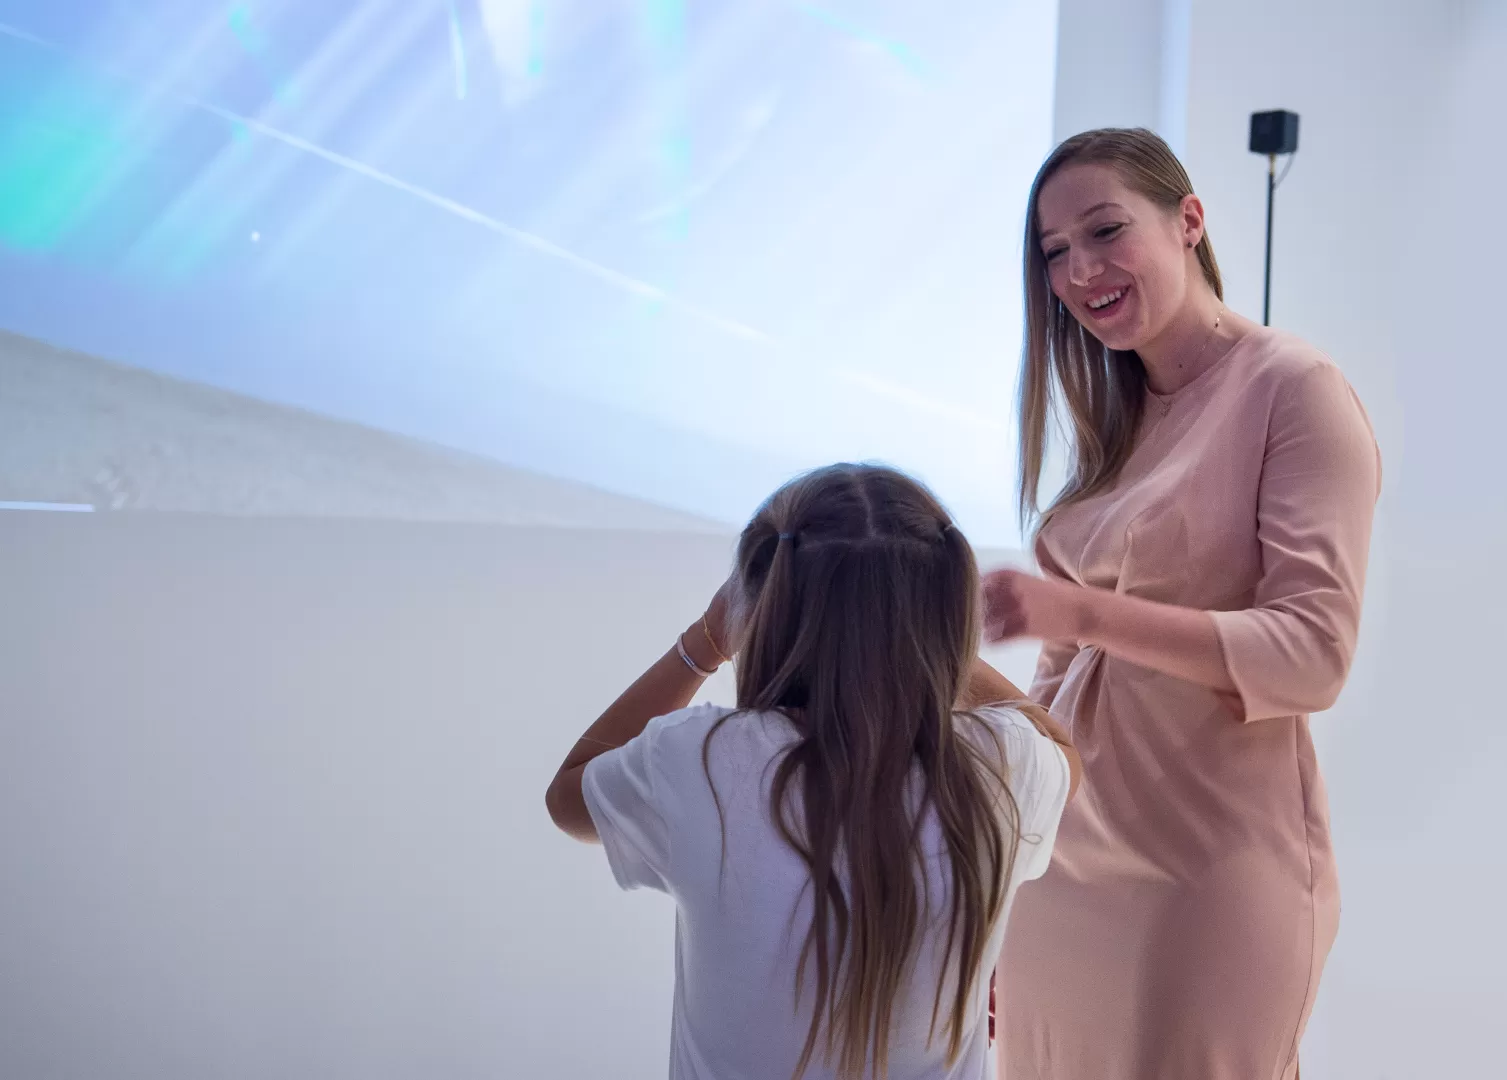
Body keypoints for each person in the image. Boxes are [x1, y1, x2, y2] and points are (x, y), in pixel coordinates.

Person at [980, 128, 1381, 1080]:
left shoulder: (1294, 389)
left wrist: (1080, 615)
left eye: (1104, 230)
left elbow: (1312, 654)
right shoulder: (1113, 426)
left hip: (1207, 883)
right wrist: (995, 892)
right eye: (1054, 252)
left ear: (1188, 221)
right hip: (1058, 883)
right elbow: (1056, 702)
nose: (1080, 270)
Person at [545, 463, 1082, 1080]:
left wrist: (705, 640)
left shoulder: (703, 760)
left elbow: (570, 796)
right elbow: (1059, 745)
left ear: (755, 605)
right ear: (948, 613)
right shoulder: (1001, 765)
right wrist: (921, 642)